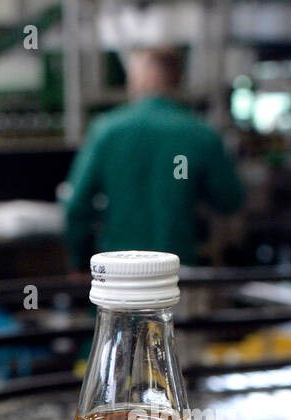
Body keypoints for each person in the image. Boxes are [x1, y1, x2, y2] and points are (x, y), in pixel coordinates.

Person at [63, 47, 244, 267]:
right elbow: (229, 200)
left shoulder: (107, 131)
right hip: (178, 273)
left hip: (117, 275)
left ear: (144, 76)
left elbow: (76, 205)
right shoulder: (200, 134)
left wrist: (80, 260)